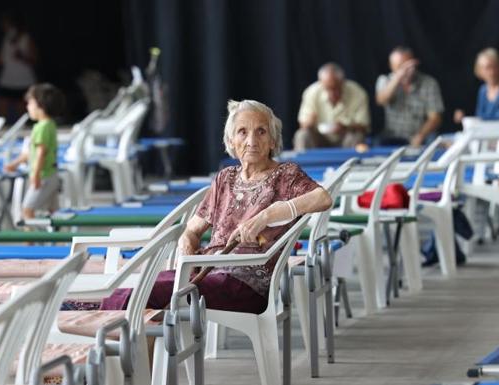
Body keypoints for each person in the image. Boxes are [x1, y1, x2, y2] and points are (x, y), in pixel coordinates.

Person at [100, 100, 333, 314]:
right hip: (206, 275)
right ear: (231, 141)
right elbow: (191, 231)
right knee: (134, 289)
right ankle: (135, 352)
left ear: (272, 140)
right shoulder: (225, 179)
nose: (252, 141)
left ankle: (106, 345)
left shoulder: (285, 175)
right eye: (243, 132)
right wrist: (188, 262)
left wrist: (268, 214)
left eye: (261, 131)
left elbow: (322, 198)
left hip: (245, 284)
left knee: (136, 296)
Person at [4, 83, 64, 221]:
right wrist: (15, 164)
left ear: (40, 105)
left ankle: (31, 242)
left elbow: (40, 153)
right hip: (52, 174)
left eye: (30, 103)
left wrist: (35, 175)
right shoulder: (50, 125)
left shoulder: (40, 128)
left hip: (43, 176)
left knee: (27, 210)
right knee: (53, 212)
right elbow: (32, 153)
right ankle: (55, 239)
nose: (27, 107)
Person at [376, 47, 444, 146]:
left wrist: (420, 135)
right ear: (391, 66)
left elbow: (435, 118)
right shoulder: (384, 80)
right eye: (400, 66)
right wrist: (398, 78)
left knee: (436, 143)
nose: (406, 70)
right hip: (392, 136)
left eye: (408, 65)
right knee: (378, 144)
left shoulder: (429, 83)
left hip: (421, 135)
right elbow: (381, 100)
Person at [293, 63, 370, 151]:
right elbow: (303, 125)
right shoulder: (311, 92)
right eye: (328, 88)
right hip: (319, 138)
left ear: (343, 82)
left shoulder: (357, 92)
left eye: (336, 88)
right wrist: (309, 123)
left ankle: (351, 163)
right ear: (321, 83)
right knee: (302, 135)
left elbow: (364, 126)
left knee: (357, 135)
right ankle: (304, 163)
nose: (332, 93)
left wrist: (345, 127)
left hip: (346, 138)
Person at [454, 48, 499, 123]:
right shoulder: (482, 90)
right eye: (487, 68)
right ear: (479, 71)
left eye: (494, 67)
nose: (492, 72)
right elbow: (480, 119)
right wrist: (464, 118)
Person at [0, 10, 38, 122]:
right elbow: (1, 59)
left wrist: (22, 57)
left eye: (5, 23)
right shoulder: (6, 38)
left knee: (22, 114)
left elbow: (34, 59)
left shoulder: (25, 37)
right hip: (7, 81)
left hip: (24, 81)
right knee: (1, 110)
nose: (3, 25)